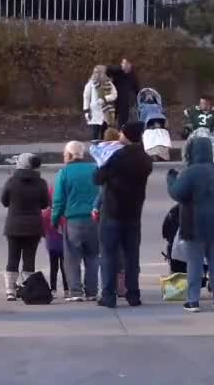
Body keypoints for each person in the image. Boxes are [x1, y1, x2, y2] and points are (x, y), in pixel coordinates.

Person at [166, 137, 214, 313]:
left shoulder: (190, 172)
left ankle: (193, 300)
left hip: (195, 223)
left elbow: (177, 193)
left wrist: (171, 179)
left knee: (194, 262)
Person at [93, 121, 153, 308]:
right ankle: (133, 294)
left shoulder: (117, 156)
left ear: (126, 135)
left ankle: (109, 295)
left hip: (112, 211)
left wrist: (102, 160)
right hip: (134, 212)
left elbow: (98, 178)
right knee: (131, 256)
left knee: (109, 255)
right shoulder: (144, 158)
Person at [51, 141, 100, 302]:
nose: (64, 157)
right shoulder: (95, 169)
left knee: (72, 257)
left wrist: (55, 220)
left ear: (70, 155)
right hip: (95, 219)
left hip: (73, 220)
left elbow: (58, 201)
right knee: (92, 256)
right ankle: (92, 291)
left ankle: (75, 291)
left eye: (65, 154)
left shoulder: (64, 173)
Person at [0, 153, 50, 300]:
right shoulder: (41, 183)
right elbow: (44, 204)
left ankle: (10, 290)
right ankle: (28, 287)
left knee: (13, 257)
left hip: (14, 225)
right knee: (29, 258)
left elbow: (4, 201)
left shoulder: (11, 181)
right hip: (34, 226)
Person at [41, 187, 68, 299]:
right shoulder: (64, 213)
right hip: (63, 244)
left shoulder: (46, 214)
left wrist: (46, 236)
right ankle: (67, 289)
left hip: (51, 244)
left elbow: (43, 229)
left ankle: (53, 289)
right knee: (64, 266)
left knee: (53, 267)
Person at [83, 65, 118, 140]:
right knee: (95, 133)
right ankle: (94, 149)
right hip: (94, 112)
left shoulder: (109, 83)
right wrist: (86, 111)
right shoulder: (91, 84)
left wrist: (105, 98)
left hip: (106, 111)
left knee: (104, 133)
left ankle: (103, 148)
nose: (95, 74)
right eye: (95, 72)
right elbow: (86, 97)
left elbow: (114, 95)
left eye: (98, 72)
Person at [107, 58, 140, 128]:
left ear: (130, 65)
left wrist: (139, 100)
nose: (124, 65)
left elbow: (136, 89)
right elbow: (107, 69)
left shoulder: (132, 76)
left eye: (126, 64)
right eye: (122, 63)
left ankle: (121, 133)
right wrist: (120, 68)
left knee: (122, 123)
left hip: (124, 103)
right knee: (109, 121)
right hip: (113, 101)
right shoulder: (118, 72)